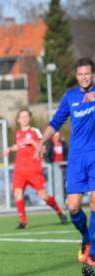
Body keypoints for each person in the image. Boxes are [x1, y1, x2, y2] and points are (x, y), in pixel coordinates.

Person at [36, 58, 95, 264]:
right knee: (74, 207)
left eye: (87, 73)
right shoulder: (70, 97)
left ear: (93, 74)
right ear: (76, 76)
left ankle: (93, 251)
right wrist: (41, 142)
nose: (84, 77)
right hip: (77, 158)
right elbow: (56, 122)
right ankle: (86, 238)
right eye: (81, 74)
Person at [3, 109, 66, 229]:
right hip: (19, 170)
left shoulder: (35, 131)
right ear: (18, 120)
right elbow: (20, 146)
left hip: (34, 170)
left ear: (29, 118)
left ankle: (59, 211)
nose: (24, 119)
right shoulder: (18, 133)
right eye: (22, 117)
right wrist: (10, 149)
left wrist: (32, 141)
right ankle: (23, 221)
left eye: (26, 116)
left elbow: (42, 148)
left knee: (43, 196)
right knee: (17, 194)